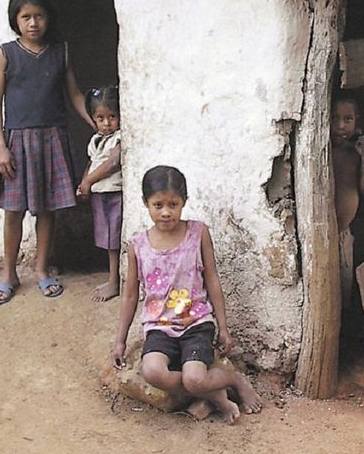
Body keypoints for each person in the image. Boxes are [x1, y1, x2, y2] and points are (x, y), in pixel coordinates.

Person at [110, 166, 263, 424]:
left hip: (196, 323)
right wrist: (120, 342)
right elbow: (129, 296)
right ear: (145, 203)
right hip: (159, 326)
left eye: (173, 204)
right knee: (152, 372)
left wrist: (223, 327)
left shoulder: (198, 233)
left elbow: (212, 280)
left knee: (195, 378)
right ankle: (215, 395)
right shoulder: (138, 245)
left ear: (184, 202)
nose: (166, 212)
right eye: (157, 205)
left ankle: (234, 379)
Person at [0, 0, 93, 305]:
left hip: (51, 139)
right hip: (17, 142)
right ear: (15, 20)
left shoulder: (60, 51)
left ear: (48, 18)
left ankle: (41, 269)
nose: (33, 23)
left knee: (47, 211)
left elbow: (74, 94)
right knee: (13, 211)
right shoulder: (5, 54)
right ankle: (9, 273)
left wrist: (98, 125)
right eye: (26, 17)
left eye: (39, 16)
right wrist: (0, 147)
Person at [76, 85, 123, 302]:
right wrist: (84, 184)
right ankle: (113, 277)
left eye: (112, 116)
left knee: (114, 241)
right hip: (100, 195)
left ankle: (115, 281)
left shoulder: (119, 138)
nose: (106, 123)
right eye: (101, 118)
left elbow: (113, 163)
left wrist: (88, 181)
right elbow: (93, 163)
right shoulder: (96, 140)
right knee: (107, 239)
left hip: (113, 195)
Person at [331, 93, 362, 307]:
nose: (341, 126)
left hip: (344, 233)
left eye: (348, 119)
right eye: (335, 119)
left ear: (357, 120)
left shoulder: (356, 153)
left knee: (344, 286)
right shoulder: (325, 151)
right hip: (322, 236)